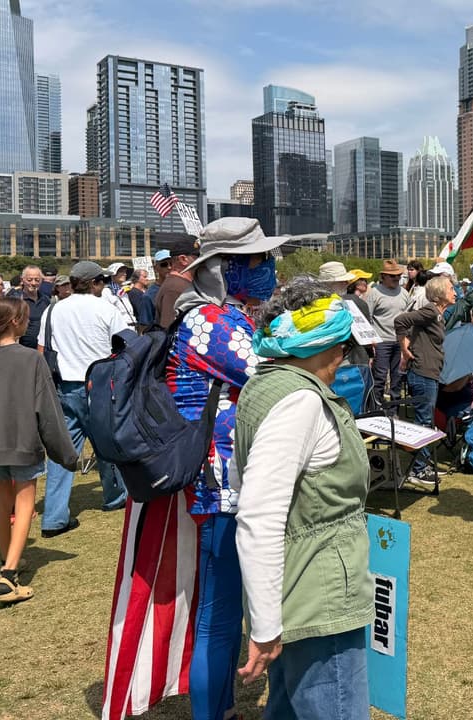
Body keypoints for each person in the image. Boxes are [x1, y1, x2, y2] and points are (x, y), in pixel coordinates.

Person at [101, 217, 286, 720]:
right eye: (257, 260)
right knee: (220, 611)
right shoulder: (212, 321)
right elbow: (272, 373)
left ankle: (220, 705)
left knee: (225, 609)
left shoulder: (223, 315)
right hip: (219, 480)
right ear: (225, 269)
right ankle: (213, 711)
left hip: (233, 476)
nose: (268, 268)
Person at [234, 278, 374, 719]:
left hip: (298, 591)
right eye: (343, 347)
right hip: (320, 596)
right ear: (320, 344)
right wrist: (264, 625)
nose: (344, 358)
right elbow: (259, 513)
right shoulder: (301, 402)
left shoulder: (266, 384)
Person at [0, 297, 79, 604]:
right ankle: (10, 572)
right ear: (16, 321)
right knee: (25, 502)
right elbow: (48, 409)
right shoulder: (31, 359)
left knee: (3, 500)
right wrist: (66, 453)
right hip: (22, 440)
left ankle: (9, 558)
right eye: (26, 318)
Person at [36, 261, 129, 537]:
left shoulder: (52, 310)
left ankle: (54, 516)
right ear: (95, 283)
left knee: (62, 451)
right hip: (100, 384)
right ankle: (114, 496)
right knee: (108, 445)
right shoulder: (105, 308)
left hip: (65, 386)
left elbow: (44, 349)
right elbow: (128, 343)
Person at [395, 275, 456, 486]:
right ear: (440, 294)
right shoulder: (431, 310)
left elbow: (413, 330)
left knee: (426, 421)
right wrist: (403, 348)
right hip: (422, 373)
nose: (455, 292)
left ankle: (423, 464)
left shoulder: (438, 315)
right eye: (450, 289)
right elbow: (401, 320)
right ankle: (418, 470)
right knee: (424, 422)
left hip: (428, 373)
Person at [367, 259, 413, 406]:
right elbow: (368, 317)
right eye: (393, 276)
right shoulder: (374, 293)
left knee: (397, 377)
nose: (397, 278)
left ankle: (393, 409)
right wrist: (371, 341)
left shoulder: (404, 293)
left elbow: (409, 317)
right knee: (379, 377)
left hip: (400, 342)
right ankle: (377, 408)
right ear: (384, 276)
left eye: (398, 276)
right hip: (380, 341)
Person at [154, 234, 202, 329]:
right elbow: (169, 331)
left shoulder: (180, 284)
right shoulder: (174, 288)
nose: (203, 259)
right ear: (183, 259)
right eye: (199, 255)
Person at [6, 265, 51, 349]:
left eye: (37, 280)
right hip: (21, 349)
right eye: (29, 280)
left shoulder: (46, 300)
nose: (33, 283)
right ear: (22, 280)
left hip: (43, 349)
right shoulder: (15, 300)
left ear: (41, 281)